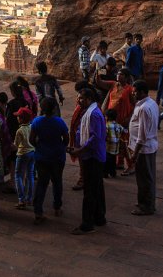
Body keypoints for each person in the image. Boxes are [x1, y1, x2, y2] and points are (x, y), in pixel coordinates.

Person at [69, 88, 106, 234]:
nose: (79, 100)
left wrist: (80, 150)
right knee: (97, 188)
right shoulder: (90, 112)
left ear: (90, 99)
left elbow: (94, 138)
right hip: (90, 155)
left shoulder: (94, 114)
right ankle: (99, 217)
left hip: (93, 156)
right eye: (78, 98)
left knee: (90, 190)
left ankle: (87, 224)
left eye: (82, 98)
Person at [29, 96, 68, 224]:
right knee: (57, 182)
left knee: (41, 183)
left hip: (42, 156)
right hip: (57, 156)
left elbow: (31, 139)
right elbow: (66, 139)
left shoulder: (37, 121)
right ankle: (57, 207)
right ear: (54, 108)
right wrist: (61, 147)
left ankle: (38, 211)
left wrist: (39, 146)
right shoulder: (59, 122)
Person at [129, 80, 159, 215]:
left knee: (144, 178)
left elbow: (142, 135)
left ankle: (146, 206)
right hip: (149, 146)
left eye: (134, 92)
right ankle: (144, 201)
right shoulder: (151, 103)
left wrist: (135, 153)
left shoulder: (144, 108)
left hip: (144, 148)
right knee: (146, 177)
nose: (133, 94)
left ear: (141, 92)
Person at [104, 69, 136, 175]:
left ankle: (131, 165)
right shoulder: (113, 85)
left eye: (121, 74)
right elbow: (99, 82)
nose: (118, 75)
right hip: (112, 119)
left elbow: (134, 104)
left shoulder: (129, 89)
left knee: (124, 143)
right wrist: (97, 71)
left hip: (123, 120)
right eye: (117, 73)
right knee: (115, 141)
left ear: (126, 77)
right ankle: (120, 162)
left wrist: (129, 118)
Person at [13, 106, 35, 209]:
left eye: (18, 116)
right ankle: (30, 198)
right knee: (30, 175)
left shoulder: (19, 130)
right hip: (32, 152)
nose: (17, 118)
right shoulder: (32, 126)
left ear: (21, 118)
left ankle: (21, 200)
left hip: (22, 153)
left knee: (18, 175)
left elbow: (16, 145)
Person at [105, 108, 123, 179]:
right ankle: (113, 172)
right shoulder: (118, 125)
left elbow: (105, 135)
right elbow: (123, 130)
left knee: (106, 161)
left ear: (108, 117)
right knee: (113, 161)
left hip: (108, 147)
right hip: (116, 148)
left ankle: (105, 173)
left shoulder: (107, 125)